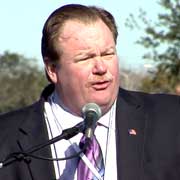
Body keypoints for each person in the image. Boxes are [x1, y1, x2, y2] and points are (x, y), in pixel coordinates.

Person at [0, 4, 180, 180]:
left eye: (108, 54)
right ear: (52, 70)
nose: (101, 67)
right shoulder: (6, 139)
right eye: (85, 58)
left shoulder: (171, 118)